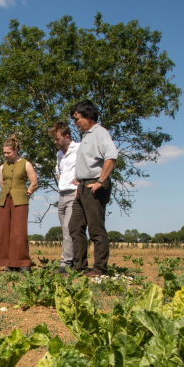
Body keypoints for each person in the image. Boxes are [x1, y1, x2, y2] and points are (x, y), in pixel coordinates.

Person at [69, 100, 118, 277]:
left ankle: (99, 269)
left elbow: (111, 157)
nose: (75, 123)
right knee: (74, 227)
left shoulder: (100, 133)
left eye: (77, 118)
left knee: (96, 229)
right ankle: (79, 267)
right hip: (82, 187)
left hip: (94, 187)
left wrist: (100, 181)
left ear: (89, 116)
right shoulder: (87, 136)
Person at [0, 135, 38, 272]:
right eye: (4, 153)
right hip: (4, 200)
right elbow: (2, 183)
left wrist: (28, 192)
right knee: (4, 231)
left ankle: (24, 263)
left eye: (9, 152)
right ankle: (9, 263)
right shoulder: (2, 167)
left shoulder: (26, 164)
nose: (6, 155)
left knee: (19, 232)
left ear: (16, 150)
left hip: (20, 200)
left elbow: (34, 182)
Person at [50, 122, 80, 274]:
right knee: (65, 230)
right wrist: (62, 182)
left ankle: (66, 263)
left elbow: (90, 165)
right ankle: (73, 260)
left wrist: (79, 181)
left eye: (57, 139)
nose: (55, 142)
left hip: (74, 194)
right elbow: (58, 170)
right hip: (62, 194)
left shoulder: (79, 148)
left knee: (69, 229)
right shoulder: (59, 154)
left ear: (66, 137)